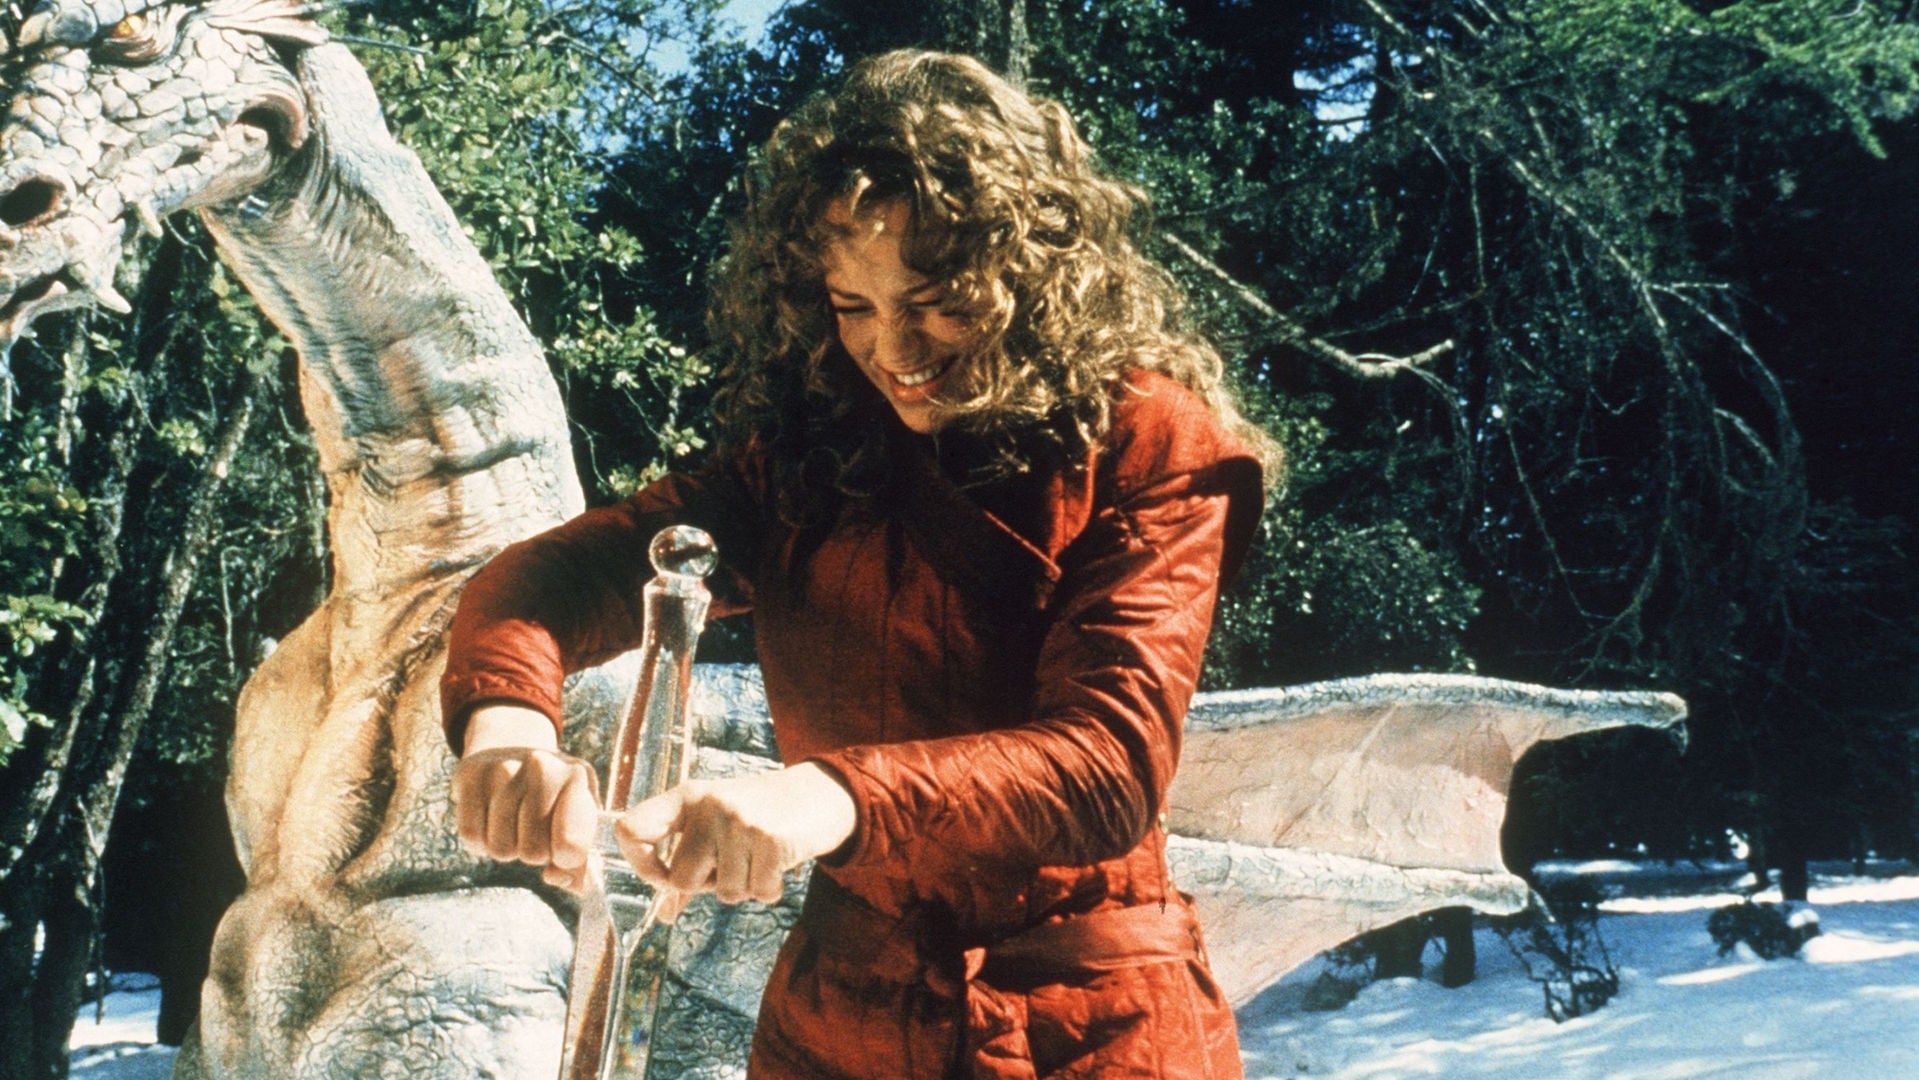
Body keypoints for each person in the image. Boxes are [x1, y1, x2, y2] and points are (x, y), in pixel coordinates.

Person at [441, 48, 1277, 1079]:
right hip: (836, 1026)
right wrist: (507, 725)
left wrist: (818, 799)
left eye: (936, 299)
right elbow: (546, 582)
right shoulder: (810, 457)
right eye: (854, 307)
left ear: (1027, 273)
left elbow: (1107, 764)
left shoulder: (1150, 440)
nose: (896, 350)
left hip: (1085, 1030)